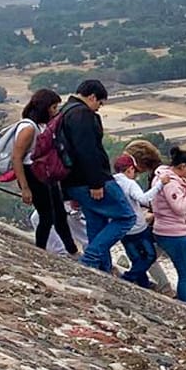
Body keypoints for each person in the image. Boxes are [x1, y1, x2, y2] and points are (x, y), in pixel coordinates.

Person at [58, 81, 135, 272]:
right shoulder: (81, 114)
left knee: (96, 222)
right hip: (90, 180)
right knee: (126, 217)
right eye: (99, 103)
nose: (98, 108)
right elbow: (87, 151)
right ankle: (91, 257)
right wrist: (96, 182)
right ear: (92, 97)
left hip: (73, 181)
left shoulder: (65, 111)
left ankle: (102, 268)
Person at [9, 89, 77, 253]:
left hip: (44, 173)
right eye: (53, 107)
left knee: (59, 214)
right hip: (32, 173)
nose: (55, 111)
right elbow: (17, 158)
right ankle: (39, 250)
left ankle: (72, 250)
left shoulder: (41, 126)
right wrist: (25, 188)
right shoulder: (28, 128)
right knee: (46, 216)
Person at [150, 147, 186, 305]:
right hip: (174, 232)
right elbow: (179, 207)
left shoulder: (169, 179)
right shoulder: (171, 184)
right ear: (183, 167)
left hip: (178, 230)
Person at [110, 153, 162, 288]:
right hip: (138, 227)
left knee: (136, 258)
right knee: (150, 256)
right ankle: (127, 278)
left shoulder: (111, 182)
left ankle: (143, 284)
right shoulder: (130, 184)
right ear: (130, 169)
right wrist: (159, 185)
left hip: (122, 228)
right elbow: (143, 199)